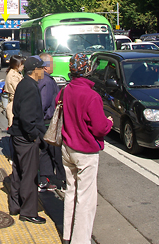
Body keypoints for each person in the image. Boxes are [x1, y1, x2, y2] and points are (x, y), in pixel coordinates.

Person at [59, 53, 113, 243]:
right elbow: (99, 128)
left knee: (71, 192)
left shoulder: (66, 90)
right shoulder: (91, 96)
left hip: (67, 148)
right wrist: (109, 123)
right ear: (88, 70)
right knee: (86, 199)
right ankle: (80, 240)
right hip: (85, 151)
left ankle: (67, 235)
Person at [8, 56, 48, 224]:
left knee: (17, 171)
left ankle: (15, 205)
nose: (44, 72)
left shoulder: (24, 83)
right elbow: (27, 117)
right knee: (30, 175)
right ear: (35, 71)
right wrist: (34, 136)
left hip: (17, 134)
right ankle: (28, 211)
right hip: (26, 137)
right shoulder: (31, 87)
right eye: (42, 69)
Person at [37, 52, 65, 192]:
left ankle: (44, 179)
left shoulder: (41, 78)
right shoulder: (47, 81)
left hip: (44, 121)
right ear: (46, 67)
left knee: (45, 151)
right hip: (47, 121)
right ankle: (60, 178)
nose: (54, 65)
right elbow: (44, 103)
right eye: (52, 63)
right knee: (53, 150)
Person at [4, 55, 25, 128]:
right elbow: (19, 89)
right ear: (17, 65)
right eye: (22, 64)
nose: (23, 66)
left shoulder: (16, 73)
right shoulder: (13, 75)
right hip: (15, 103)